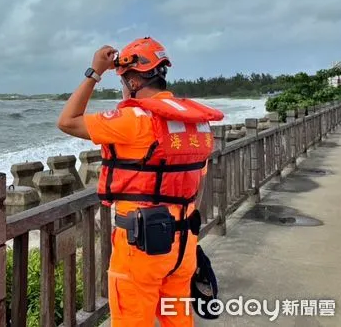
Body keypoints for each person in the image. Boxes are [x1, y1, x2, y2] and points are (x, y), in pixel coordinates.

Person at [56, 37, 224, 326]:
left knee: (133, 319)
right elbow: (198, 186)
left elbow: (68, 121)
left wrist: (94, 72)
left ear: (133, 81)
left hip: (142, 245)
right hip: (183, 245)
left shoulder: (133, 119)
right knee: (177, 320)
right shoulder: (194, 122)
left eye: (123, 80)